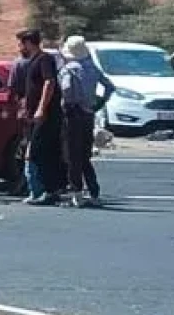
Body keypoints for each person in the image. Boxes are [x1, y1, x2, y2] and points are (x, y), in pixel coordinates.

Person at [58, 34, 111, 207]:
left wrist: (67, 103)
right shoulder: (92, 68)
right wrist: (99, 103)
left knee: (72, 155)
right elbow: (109, 86)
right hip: (89, 113)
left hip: (73, 114)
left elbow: (66, 88)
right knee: (85, 155)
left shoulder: (69, 69)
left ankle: (77, 193)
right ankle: (94, 192)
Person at [16, 29, 65, 205]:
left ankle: (47, 190)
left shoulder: (45, 59)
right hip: (34, 116)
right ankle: (48, 190)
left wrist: (41, 109)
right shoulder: (33, 61)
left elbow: (49, 82)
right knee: (40, 151)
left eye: (21, 43)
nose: (19, 47)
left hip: (46, 116)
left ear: (29, 43)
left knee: (39, 152)